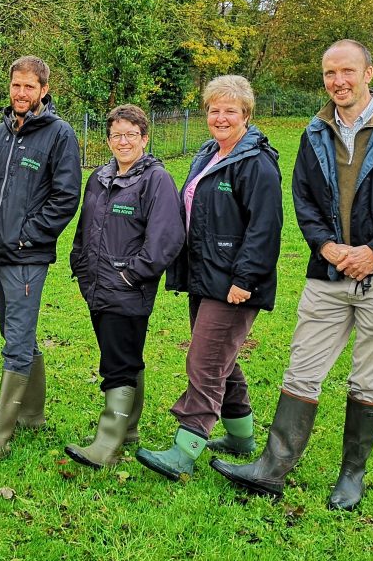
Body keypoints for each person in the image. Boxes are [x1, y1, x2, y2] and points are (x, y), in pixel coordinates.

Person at [212, 40, 373, 510]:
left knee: (369, 378)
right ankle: (272, 468)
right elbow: (304, 198)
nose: (339, 81)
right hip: (329, 272)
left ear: (369, 73)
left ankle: (351, 476)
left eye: (347, 71)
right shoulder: (315, 130)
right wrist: (325, 244)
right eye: (330, 73)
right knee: (302, 368)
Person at [135, 75, 283, 481]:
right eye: (214, 110)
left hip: (234, 282)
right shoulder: (209, 153)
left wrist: (245, 279)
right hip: (205, 276)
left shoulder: (256, 163)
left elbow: (264, 228)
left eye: (230, 111)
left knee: (205, 361)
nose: (220, 117)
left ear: (246, 115)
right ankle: (240, 436)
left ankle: (186, 448)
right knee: (222, 358)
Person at [0, 55, 82, 464]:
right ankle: (32, 413)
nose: (21, 93)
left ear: (43, 90)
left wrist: (26, 236)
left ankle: (0, 435)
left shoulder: (59, 134)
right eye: (16, 85)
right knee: (14, 330)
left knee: (16, 341)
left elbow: (66, 197)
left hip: (28, 256)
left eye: (29, 87)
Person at [64, 104, 184, 468]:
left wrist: (131, 275)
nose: (124, 141)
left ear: (145, 139)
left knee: (117, 363)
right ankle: (128, 429)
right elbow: (85, 230)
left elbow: (167, 237)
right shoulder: (99, 178)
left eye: (132, 134)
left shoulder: (155, 180)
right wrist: (81, 266)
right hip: (97, 285)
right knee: (124, 356)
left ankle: (107, 445)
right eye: (117, 135)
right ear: (108, 140)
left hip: (128, 287)